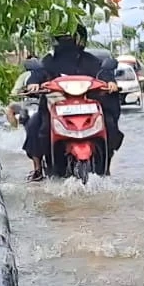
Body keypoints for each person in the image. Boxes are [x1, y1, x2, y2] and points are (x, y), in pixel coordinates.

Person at [22, 27, 123, 181]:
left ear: (79, 39)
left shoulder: (90, 61)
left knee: (109, 123)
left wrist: (110, 82)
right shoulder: (49, 61)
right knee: (36, 125)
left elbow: (103, 73)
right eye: (62, 38)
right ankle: (37, 169)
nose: (66, 42)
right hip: (56, 107)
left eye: (70, 37)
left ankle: (106, 166)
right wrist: (33, 83)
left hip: (87, 107)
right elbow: (39, 73)